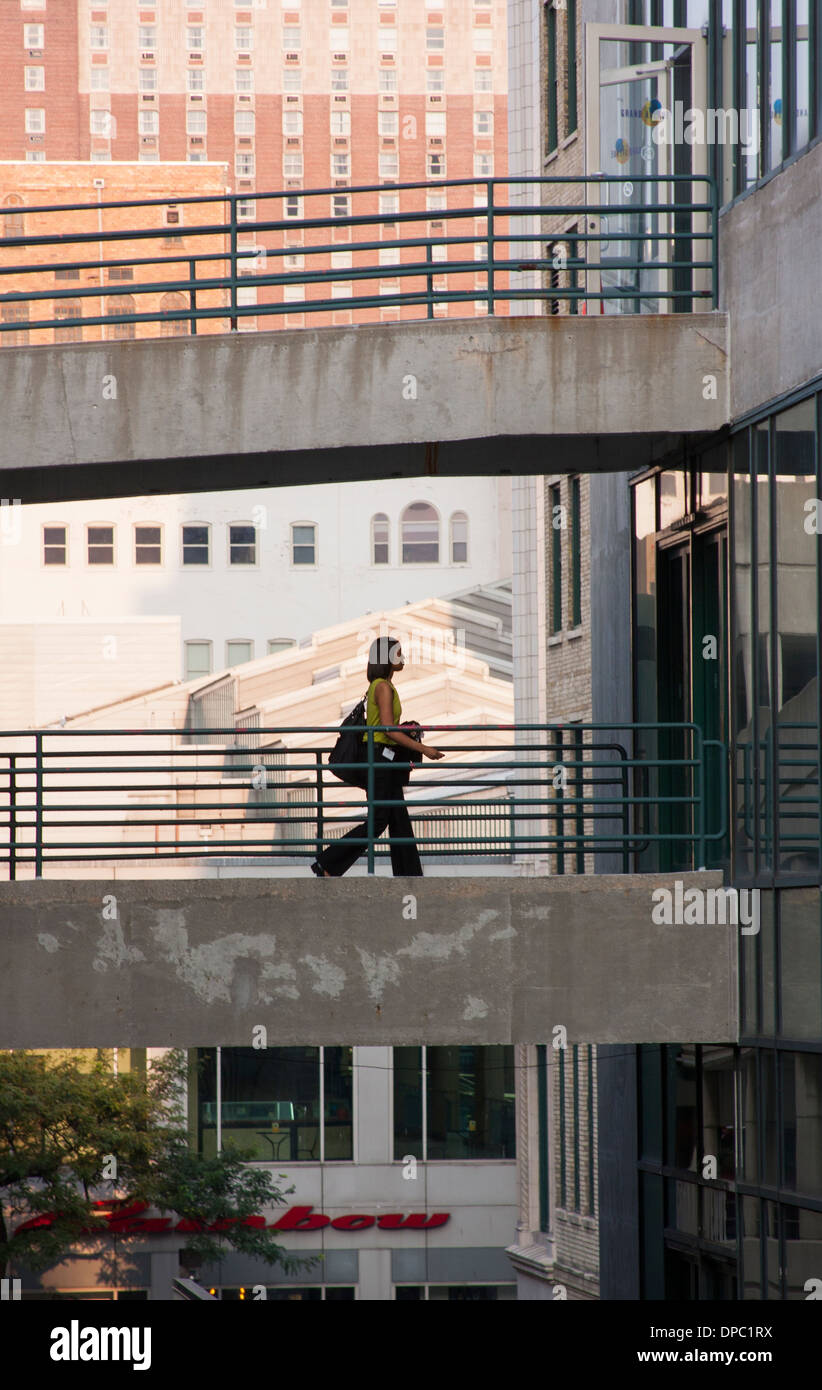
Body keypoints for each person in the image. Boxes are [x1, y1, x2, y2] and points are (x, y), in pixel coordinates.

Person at [311, 635, 444, 876]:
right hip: (381, 760)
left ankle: (409, 874)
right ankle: (327, 863)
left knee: (397, 816)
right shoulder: (382, 686)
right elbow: (388, 729)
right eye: (398, 653)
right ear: (387, 657)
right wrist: (424, 749)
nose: (402, 657)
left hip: (383, 759)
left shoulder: (383, 685)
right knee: (379, 821)